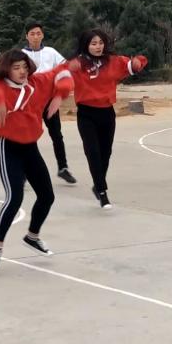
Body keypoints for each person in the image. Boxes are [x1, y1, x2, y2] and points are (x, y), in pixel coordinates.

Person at [0, 49, 74, 269]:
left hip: (31, 147)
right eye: (16, 68)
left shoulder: (38, 83)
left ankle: (32, 236)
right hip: (8, 147)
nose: (22, 71)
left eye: (24, 67)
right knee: (14, 197)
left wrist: (61, 93)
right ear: (6, 70)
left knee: (47, 196)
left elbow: (64, 71)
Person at [66, 29, 147, 209]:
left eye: (101, 43)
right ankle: (102, 192)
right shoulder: (78, 63)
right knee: (92, 152)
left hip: (107, 113)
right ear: (86, 45)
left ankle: (98, 183)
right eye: (93, 43)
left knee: (106, 152)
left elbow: (136, 62)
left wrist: (137, 63)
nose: (98, 47)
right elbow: (56, 75)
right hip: (86, 114)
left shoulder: (113, 61)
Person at [22, 22, 77, 184]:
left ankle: (63, 167)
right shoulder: (21, 55)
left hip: (49, 101)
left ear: (43, 35)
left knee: (56, 134)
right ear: (26, 36)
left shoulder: (51, 52)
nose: (35, 37)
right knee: (28, 136)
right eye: (32, 34)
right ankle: (24, 171)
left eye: (38, 33)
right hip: (30, 102)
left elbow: (64, 68)